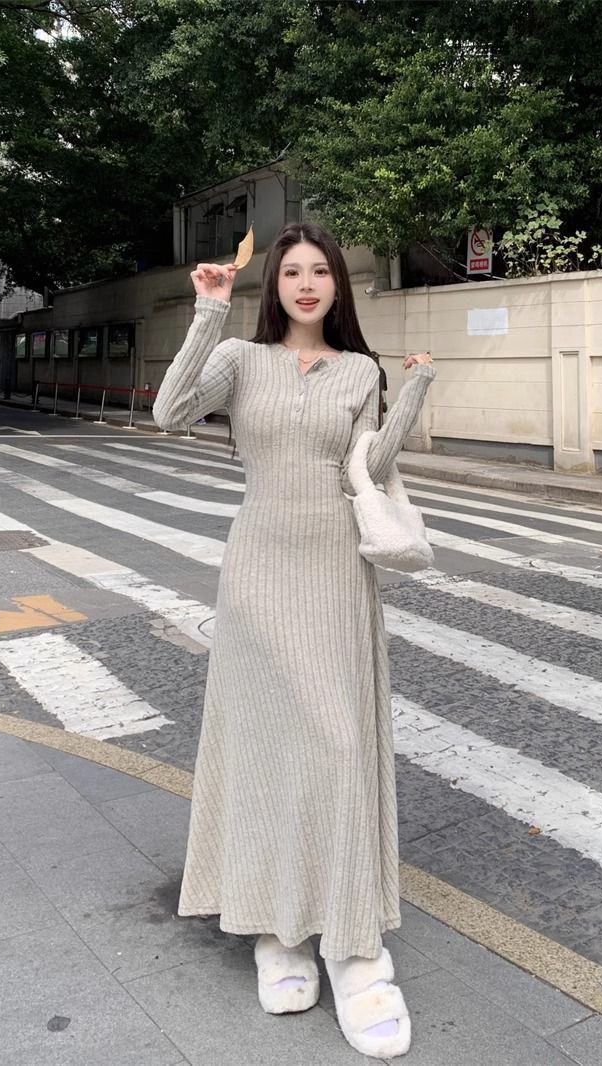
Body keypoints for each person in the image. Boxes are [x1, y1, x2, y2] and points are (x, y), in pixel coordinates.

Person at [153, 222, 434, 1059]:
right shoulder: (241, 359)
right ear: (272, 284)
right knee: (269, 745)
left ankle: (354, 948)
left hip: (338, 570)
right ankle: (278, 932)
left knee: (341, 745)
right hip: (259, 570)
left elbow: (369, 469)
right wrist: (209, 309)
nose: (307, 284)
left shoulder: (359, 371)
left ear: (338, 286)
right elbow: (171, 411)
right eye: (292, 273)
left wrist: (413, 391)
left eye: (321, 272)